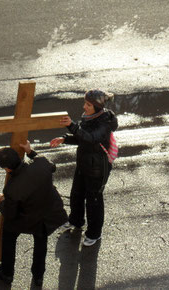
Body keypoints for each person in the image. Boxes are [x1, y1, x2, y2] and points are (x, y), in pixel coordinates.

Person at [0, 141, 68, 287]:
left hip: (27, 218)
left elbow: (10, 213)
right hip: (48, 212)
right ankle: (38, 276)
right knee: (41, 242)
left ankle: (7, 273)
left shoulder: (11, 189)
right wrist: (30, 151)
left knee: (8, 233)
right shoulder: (41, 164)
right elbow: (51, 166)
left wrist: (1, 201)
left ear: (7, 169)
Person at [50, 89, 118, 247]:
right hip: (84, 164)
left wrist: (71, 126)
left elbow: (91, 138)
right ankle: (76, 221)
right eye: (85, 103)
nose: (84, 106)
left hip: (97, 168)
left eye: (88, 104)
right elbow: (82, 138)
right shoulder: (90, 116)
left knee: (94, 201)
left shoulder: (104, 121)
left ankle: (94, 234)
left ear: (97, 107)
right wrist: (64, 139)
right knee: (77, 194)